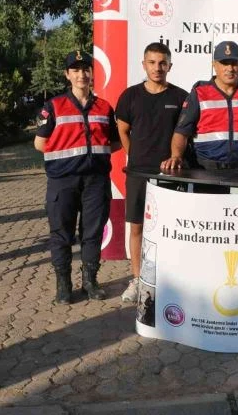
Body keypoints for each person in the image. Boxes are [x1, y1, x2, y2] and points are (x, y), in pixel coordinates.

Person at [34, 50, 121, 305]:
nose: (81, 74)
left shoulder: (104, 107)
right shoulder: (53, 106)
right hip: (63, 181)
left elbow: (115, 142)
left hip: (96, 180)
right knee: (61, 233)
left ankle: (90, 282)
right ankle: (63, 285)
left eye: (85, 69)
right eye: (75, 70)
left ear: (92, 73)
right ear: (67, 74)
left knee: (92, 233)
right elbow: (40, 143)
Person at [116, 42, 188, 303]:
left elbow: (185, 134)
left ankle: (170, 281)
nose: (157, 67)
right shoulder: (130, 96)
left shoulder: (180, 97)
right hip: (137, 173)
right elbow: (123, 130)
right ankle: (137, 280)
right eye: (152, 62)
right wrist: (135, 155)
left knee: (170, 229)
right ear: (144, 64)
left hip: (170, 175)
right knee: (137, 227)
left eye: (162, 63)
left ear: (170, 65)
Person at [160, 40, 238, 182]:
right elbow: (181, 133)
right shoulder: (199, 94)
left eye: (234, 63)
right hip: (206, 172)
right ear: (214, 65)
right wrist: (176, 156)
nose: (230, 68)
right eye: (224, 63)